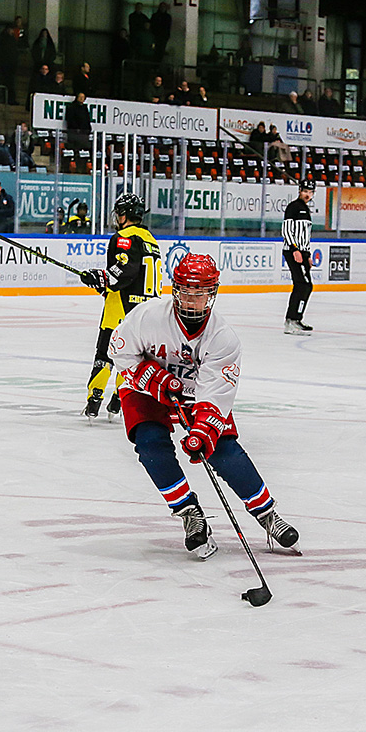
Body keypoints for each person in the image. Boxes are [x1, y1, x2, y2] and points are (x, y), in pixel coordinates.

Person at [108, 253, 301, 558]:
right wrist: (153, 378)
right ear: (175, 290)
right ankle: (189, 513)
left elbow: (215, 394)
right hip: (145, 388)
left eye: (200, 294)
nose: (192, 300)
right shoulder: (148, 317)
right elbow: (119, 352)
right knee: (149, 443)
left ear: (212, 293)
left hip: (194, 393)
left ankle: (266, 514)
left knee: (223, 449)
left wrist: (204, 431)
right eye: (186, 292)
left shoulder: (223, 338)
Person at [78, 192, 161, 420]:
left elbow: (125, 270)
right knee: (130, 356)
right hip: (146, 311)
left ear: (125, 214)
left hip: (121, 308)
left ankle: (94, 400)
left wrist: (102, 277)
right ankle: (119, 399)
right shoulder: (150, 239)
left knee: (105, 353)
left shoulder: (124, 236)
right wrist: (102, 282)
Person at [282, 179, 315, 335]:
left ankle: (295, 319)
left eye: (310, 192)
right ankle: (292, 320)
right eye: (305, 191)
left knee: (305, 285)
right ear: (300, 191)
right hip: (292, 251)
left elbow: (305, 236)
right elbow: (287, 230)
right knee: (303, 284)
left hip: (302, 252)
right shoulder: (293, 207)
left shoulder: (306, 210)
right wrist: (295, 249)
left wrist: (307, 254)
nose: (308, 195)